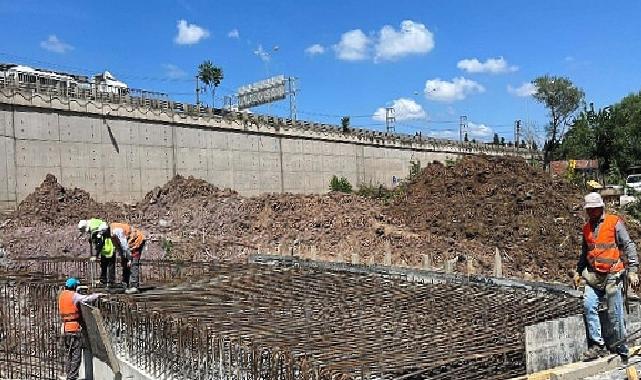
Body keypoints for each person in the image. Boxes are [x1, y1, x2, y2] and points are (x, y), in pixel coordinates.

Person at [574, 192, 639, 362]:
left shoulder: (614, 222)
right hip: (594, 277)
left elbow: (628, 245)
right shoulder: (586, 228)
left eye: (592, 209)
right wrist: (578, 271)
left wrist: (633, 269)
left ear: (600, 208)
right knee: (589, 305)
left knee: (614, 314)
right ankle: (598, 345)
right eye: (588, 210)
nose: (590, 213)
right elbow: (585, 253)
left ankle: (621, 349)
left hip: (612, 275)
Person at [58, 278, 103, 380]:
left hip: (65, 329)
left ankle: (69, 375)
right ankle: (72, 377)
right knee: (76, 356)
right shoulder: (73, 296)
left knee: (69, 355)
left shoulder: (62, 295)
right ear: (74, 286)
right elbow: (86, 298)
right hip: (74, 329)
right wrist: (97, 295)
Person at [98, 222, 146, 294]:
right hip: (129, 242)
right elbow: (118, 247)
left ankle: (134, 286)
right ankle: (125, 284)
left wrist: (129, 259)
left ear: (106, 231)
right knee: (125, 263)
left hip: (136, 240)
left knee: (133, 263)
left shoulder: (116, 231)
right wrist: (123, 257)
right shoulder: (111, 234)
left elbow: (125, 246)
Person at [78, 219, 116, 287]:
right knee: (104, 265)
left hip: (109, 249)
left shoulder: (99, 232)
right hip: (105, 250)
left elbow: (100, 244)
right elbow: (97, 244)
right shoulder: (95, 227)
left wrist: (96, 255)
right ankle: (104, 281)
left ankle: (111, 282)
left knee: (110, 265)